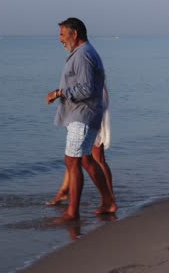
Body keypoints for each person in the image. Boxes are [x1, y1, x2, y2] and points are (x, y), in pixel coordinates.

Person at [45, 17, 116, 220]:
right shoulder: (82, 53)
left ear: (74, 34)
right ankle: (108, 201)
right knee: (85, 159)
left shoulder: (83, 54)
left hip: (83, 115)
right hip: (83, 114)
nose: (60, 39)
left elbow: (87, 89)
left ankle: (72, 213)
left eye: (62, 34)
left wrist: (59, 92)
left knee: (72, 161)